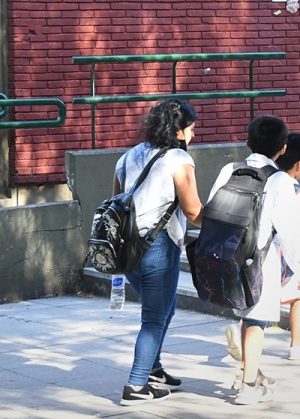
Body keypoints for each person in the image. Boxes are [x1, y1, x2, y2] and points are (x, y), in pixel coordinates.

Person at [116, 99, 202, 406]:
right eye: (191, 129)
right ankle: (136, 385)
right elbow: (193, 211)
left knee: (167, 305)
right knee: (154, 317)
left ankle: (153, 369)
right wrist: (223, 224)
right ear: (178, 132)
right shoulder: (178, 159)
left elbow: (118, 202)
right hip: (157, 248)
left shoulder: (128, 156)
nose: (193, 135)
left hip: (127, 250)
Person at [209, 115, 291, 405]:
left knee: (247, 317)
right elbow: (287, 227)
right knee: (256, 322)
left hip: (228, 255)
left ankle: (249, 372)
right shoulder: (281, 179)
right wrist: (296, 267)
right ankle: (248, 386)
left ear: (247, 143)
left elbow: (211, 208)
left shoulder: (229, 169)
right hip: (260, 258)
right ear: (282, 149)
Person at [272, 132, 300, 360]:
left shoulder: (267, 183)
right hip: (290, 257)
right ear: (299, 164)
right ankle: (295, 345)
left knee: (256, 303)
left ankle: (242, 338)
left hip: (264, 253)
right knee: (298, 298)